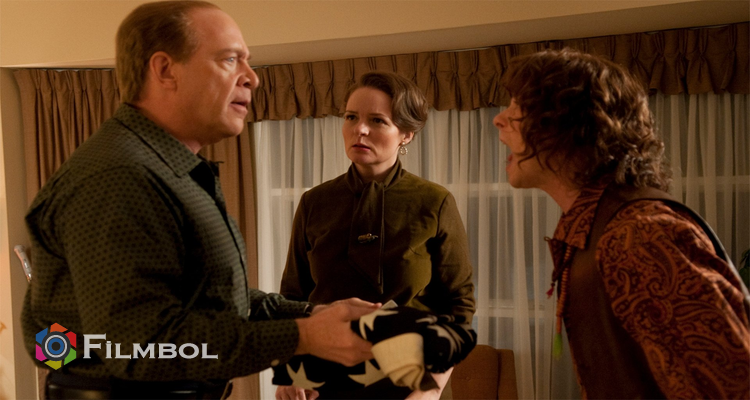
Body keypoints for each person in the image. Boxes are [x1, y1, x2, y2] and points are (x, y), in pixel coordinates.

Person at [22, 1, 378, 398]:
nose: (252, 77)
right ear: (165, 70)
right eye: (230, 59)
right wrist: (302, 337)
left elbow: (210, 299)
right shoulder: (119, 177)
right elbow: (140, 348)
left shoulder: (167, 171)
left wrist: (314, 315)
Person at [494, 48, 750, 399]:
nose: (499, 119)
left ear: (575, 124)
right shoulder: (593, 228)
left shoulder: (638, 236)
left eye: (517, 107)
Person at [275, 71, 476, 400]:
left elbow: (458, 304)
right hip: (322, 382)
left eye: (377, 120)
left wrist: (430, 391)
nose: (360, 129)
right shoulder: (315, 202)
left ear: (406, 134)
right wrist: (291, 370)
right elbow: (293, 297)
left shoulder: (434, 202)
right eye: (351, 117)